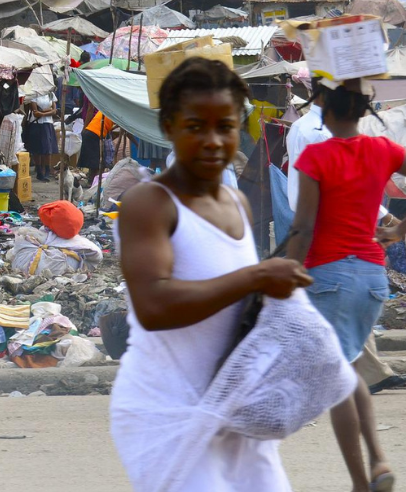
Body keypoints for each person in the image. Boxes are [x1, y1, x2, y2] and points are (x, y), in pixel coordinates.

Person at [111, 58, 313, 491]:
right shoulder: (150, 203)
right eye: (195, 126)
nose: (213, 141)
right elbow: (153, 306)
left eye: (225, 126)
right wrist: (257, 278)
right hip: (165, 408)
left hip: (230, 406)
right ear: (167, 126)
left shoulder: (236, 202)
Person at [286, 81, 403, 492]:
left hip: (331, 277)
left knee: (338, 380)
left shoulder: (316, 156)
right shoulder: (384, 149)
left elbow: (302, 228)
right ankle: (375, 464)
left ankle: (366, 475)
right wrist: (399, 230)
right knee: (347, 369)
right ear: (361, 111)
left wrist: (283, 275)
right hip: (372, 278)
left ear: (324, 107)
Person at [25, 92, 58, 182]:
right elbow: (35, 113)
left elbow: (55, 111)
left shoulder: (51, 94)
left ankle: (47, 171)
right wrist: (48, 111)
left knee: (48, 149)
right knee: (37, 149)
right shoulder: (34, 94)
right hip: (37, 124)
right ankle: (39, 171)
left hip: (48, 123)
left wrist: (42, 113)